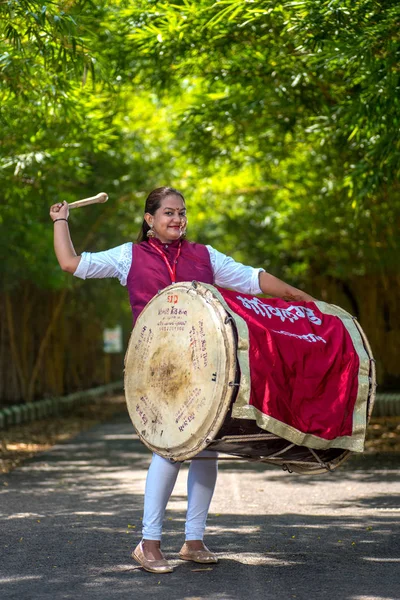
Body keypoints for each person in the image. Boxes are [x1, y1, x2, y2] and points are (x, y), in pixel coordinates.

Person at [50, 186, 314, 574]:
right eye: (168, 213)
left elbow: (252, 279)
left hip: (207, 366)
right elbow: (71, 263)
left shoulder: (205, 256)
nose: (177, 219)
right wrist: (61, 221)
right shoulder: (129, 256)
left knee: (208, 448)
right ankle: (149, 543)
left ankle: (194, 540)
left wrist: (296, 295)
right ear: (150, 220)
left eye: (181, 212)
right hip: (155, 368)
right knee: (170, 450)